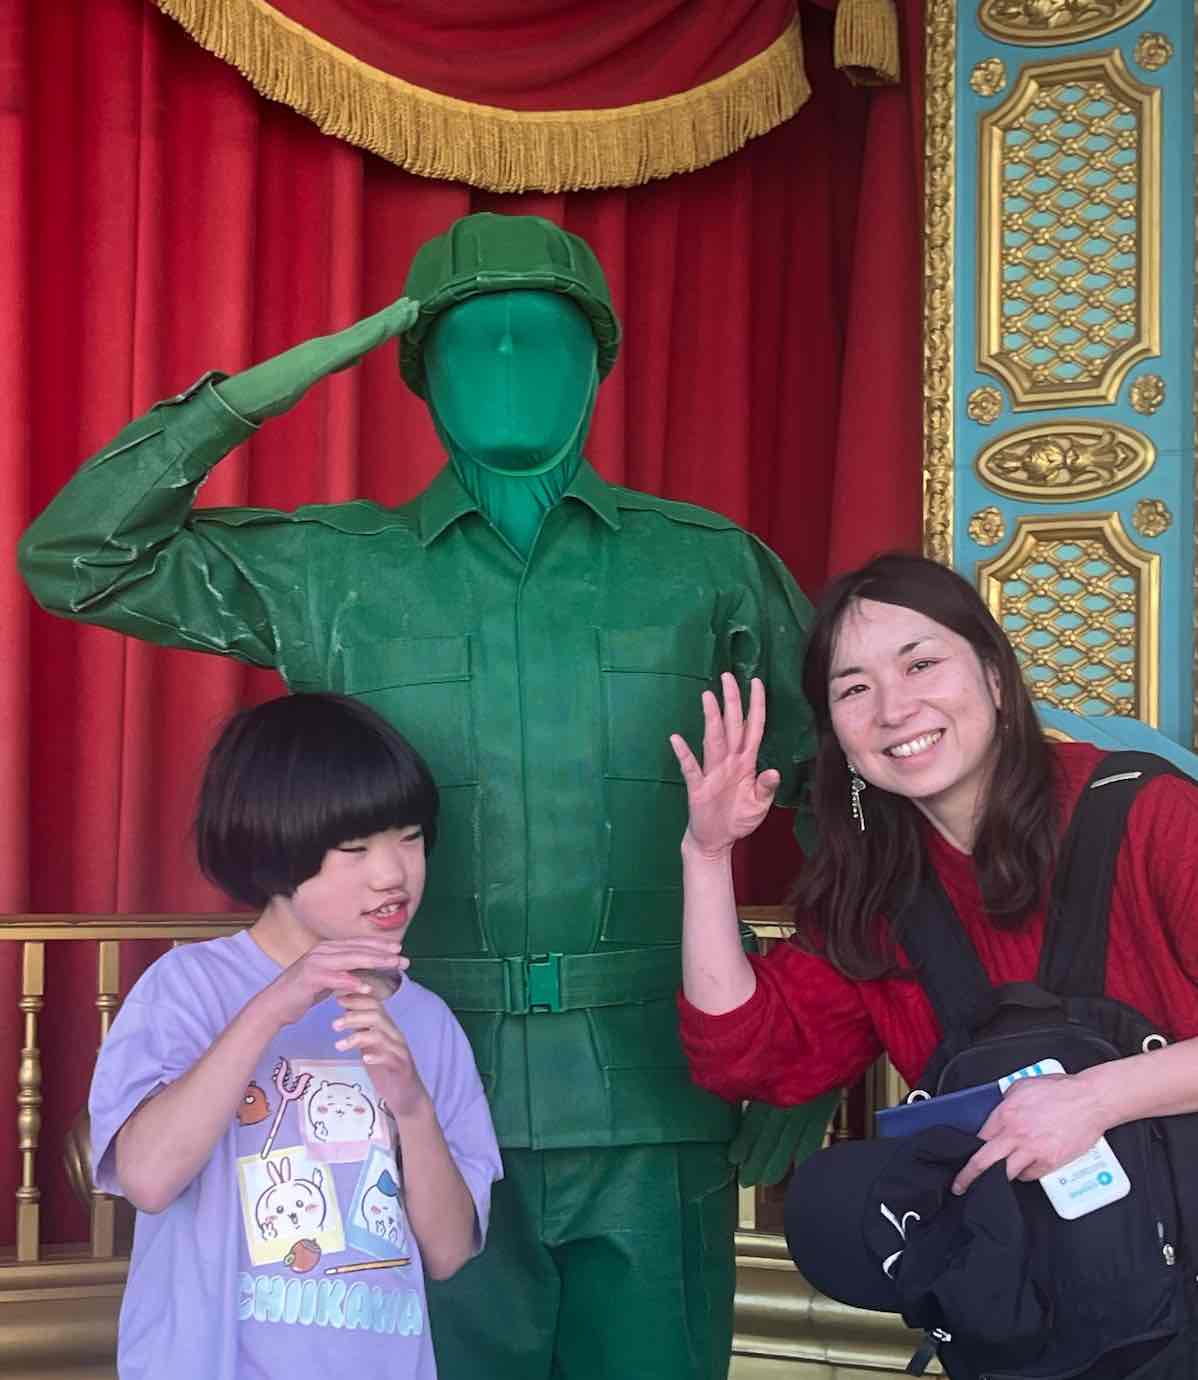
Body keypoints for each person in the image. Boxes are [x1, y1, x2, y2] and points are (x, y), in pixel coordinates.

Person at [20, 212, 832, 1380]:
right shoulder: (331, 568)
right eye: (467, 338)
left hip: (652, 1103)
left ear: (597, 363)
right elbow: (77, 558)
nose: (505, 361)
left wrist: (811, 1038)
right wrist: (264, 386)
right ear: (415, 371)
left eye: (540, 335)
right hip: (403, 1094)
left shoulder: (707, 567)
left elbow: (842, 799)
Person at [671, 553, 1198, 1343]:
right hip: (1050, 1307)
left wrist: (1096, 1099)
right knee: (830, 1203)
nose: (893, 709)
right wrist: (707, 854)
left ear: (994, 674)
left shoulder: (1152, 817)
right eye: (854, 689)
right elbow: (744, 1056)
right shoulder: (879, 896)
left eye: (920, 664)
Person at [87, 692, 502, 1380]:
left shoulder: (426, 1020)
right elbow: (149, 1180)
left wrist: (411, 1107)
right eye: (353, 849)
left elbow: (450, 1251)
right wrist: (271, 1008)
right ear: (275, 851)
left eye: (409, 837)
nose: (393, 873)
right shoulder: (186, 988)